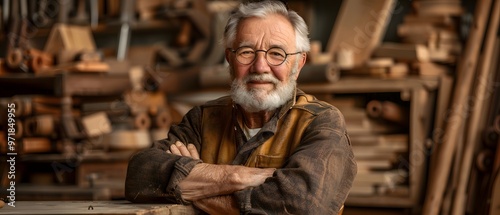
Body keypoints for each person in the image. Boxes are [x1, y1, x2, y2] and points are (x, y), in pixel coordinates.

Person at [125, 1, 357, 214]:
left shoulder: (322, 122)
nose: (260, 66)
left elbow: (303, 205)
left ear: (298, 64)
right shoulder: (202, 119)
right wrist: (236, 177)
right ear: (230, 59)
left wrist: (196, 189)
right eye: (246, 52)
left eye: (277, 54)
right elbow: (140, 175)